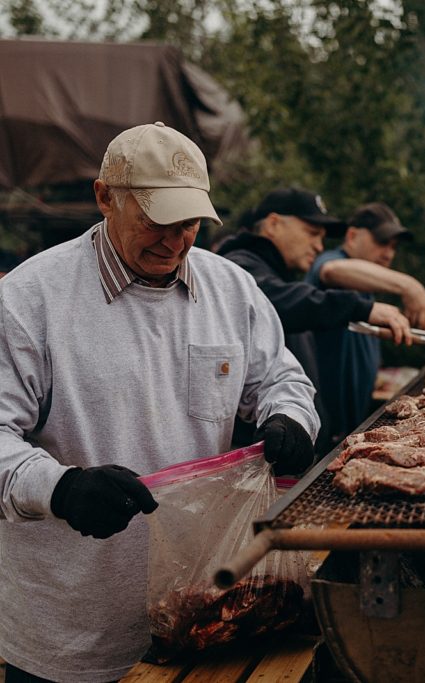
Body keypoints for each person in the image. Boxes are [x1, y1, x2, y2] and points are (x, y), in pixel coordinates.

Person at [0, 122, 320, 682]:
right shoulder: (30, 300)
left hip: (203, 610)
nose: (175, 240)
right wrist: (61, 488)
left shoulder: (231, 289)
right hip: (71, 632)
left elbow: (282, 379)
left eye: (190, 222)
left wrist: (289, 418)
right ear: (104, 197)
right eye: (156, 220)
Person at [216, 188, 412, 455]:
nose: (320, 246)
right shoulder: (237, 269)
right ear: (274, 224)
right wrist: (361, 308)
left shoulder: (277, 274)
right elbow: (279, 301)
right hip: (260, 458)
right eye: (312, 233)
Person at [305, 202, 425, 442]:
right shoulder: (332, 262)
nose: (389, 253)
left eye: (394, 247)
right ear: (352, 235)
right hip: (325, 429)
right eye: (382, 242)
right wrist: (409, 286)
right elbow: (332, 270)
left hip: (354, 422)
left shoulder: (365, 287)